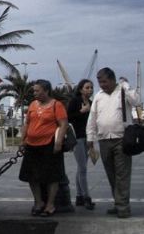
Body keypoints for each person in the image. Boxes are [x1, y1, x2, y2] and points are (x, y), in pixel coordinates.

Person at [86, 67, 141, 219]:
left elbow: (137, 101)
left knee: (122, 173)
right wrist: (90, 138)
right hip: (104, 139)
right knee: (111, 174)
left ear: (112, 79)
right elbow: (92, 118)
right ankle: (118, 203)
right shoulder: (98, 96)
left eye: (104, 81)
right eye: (99, 82)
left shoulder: (123, 90)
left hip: (121, 138)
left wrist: (127, 86)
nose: (102, 85)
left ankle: (123, 207)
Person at [19, 79, 68, 217]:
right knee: (32, 176)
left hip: (49, 145)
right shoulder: (32, 105)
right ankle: (38, 202)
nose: (34, 93)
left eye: (37, 90)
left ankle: (50, 204)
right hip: (32, 145)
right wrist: (23, 140)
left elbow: (63, 124)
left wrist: (58, 142)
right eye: (34, 90)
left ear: (46, 91)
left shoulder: (56, 105)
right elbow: (27, 123)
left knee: (51, 176)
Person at [67, 79, 95, 210]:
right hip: (77, 138)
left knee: (80, 168)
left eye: (91, 87)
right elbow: (67, 117)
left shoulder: (91, 103)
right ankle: (86, 197)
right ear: (80, 89)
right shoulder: (75, 101)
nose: (90, 90)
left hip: (88, 138)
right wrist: (82, 112)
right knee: (83, 168)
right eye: (87, 87)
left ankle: (79, 196)